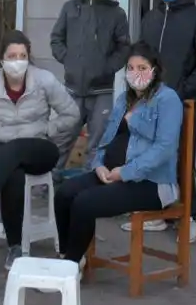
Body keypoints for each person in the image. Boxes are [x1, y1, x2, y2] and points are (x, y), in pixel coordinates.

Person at [53, 43, 183, 269]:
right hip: (111, 173)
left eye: (142, 67)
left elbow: (164, 148)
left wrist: (125, 172)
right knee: (64, 194)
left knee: (84, 203)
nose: (136, 73)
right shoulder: (124, 99)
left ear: (155, 70)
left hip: (150, 183)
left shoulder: (167, 100)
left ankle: (70, 268)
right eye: (131, 68)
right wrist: (99, 165)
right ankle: (70, 256)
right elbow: (106, 140)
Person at [0, 31, 79, 269]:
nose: (17, 60)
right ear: (2, 59)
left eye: (22, 55)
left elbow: (72, 114)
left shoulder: (44, 80)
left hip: (38, 148)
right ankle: (15, 249)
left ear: (29, 57)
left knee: (14, 152)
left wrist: (48, 128)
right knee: (12, 172)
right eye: (12, 56)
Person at [130, 0, 196, 234]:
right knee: (151, 157)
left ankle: (187, 218)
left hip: (181, 102)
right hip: (148, 101)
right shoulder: (151, 17)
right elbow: (141, 56)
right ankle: (156, 213)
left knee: (182, 159)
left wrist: (183, 90)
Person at [49, 0, 130, 168]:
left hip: (101, 90)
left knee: (99, 142)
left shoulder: (117, 14)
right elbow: (56, 39)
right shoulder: (70, 8)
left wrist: (108, 67)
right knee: (62, 138)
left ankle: (91, 183)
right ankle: (50, 181)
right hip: (73, 89)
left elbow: (124, 47)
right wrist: (68, 59)